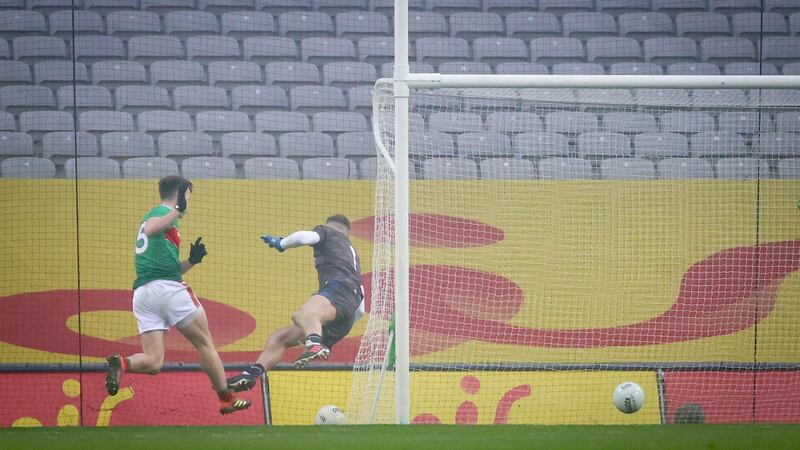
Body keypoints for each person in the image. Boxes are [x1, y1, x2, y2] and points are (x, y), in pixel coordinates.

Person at [104, 176, 251, 415]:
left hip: (144, 294)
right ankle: (226, 398)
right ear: (182, 194)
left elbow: (166, 266)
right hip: (168, 290)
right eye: (188, 197)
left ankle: (122, 363)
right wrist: (177, 209)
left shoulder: (165, 221)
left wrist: (191, 261)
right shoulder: (161, 213)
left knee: (153, 362)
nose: (189, 204)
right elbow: (152, 229)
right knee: (205, 344)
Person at [226, 214, 365, 392]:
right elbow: (360, 310)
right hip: (347, 314)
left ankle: (313, 343)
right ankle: (251, 374)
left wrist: (281, 244)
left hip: (337, 292)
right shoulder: (353, 257)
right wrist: (332, 334)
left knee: (303, 315)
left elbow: (301, 237)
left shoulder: (327, 232)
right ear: (348, 232)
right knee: (281, 338)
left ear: (329, 225)